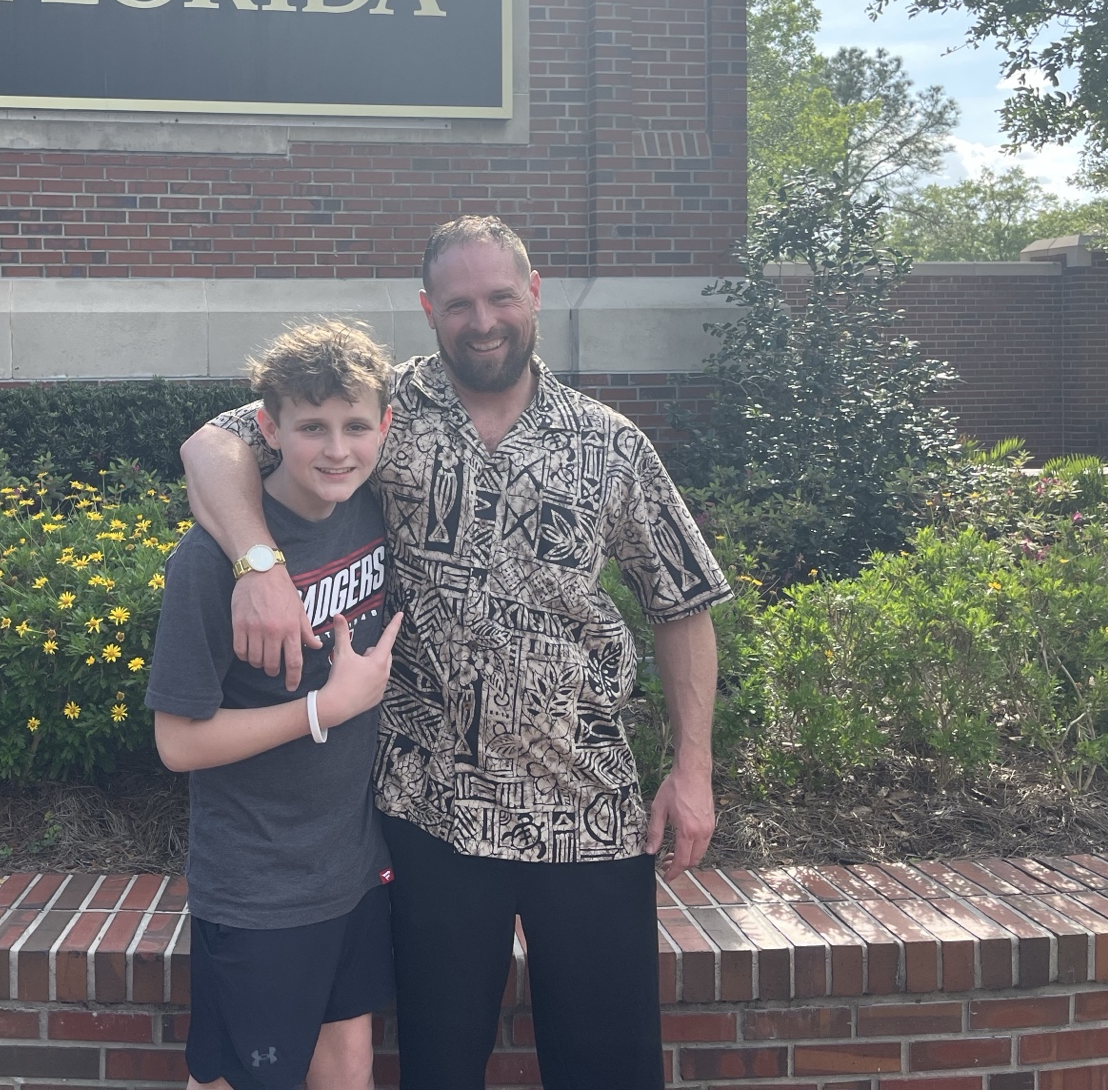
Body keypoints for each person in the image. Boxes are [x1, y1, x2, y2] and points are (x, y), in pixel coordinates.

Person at [179, 216, 730, 1090]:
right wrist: (259, 565)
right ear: (429, 308)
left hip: (586, 804)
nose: (483, 321)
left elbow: (684, 604)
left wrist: (692, 770)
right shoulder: (377, 411)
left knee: (610, 1067)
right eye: (460, 304)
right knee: (438, 1064)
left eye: (501, 297)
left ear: (534, 293)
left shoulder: (609, 442)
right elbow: (211, 446)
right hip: (432, 808)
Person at [147, 320, 407, 1090]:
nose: (337, 450)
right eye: (312, 428)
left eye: (355, 426)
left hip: (353, 870)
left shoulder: (373, 512)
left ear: (385, 426)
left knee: (349, 1067)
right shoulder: (209, 561)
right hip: (258, 886)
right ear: (269, 429)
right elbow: (177, 743)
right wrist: (325, 708)